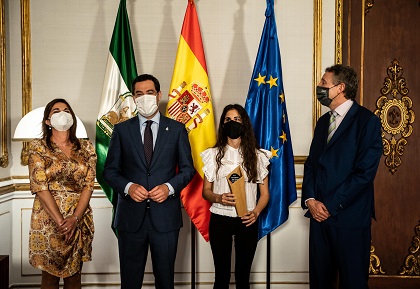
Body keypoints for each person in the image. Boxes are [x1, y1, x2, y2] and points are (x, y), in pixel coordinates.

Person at [103, 74, 195, 289]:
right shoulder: (122, 130)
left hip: (165, 218)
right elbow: (110, 171)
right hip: (130, 219)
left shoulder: (176, 129)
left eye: (150, 93)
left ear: (159, 95)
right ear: (133, 98)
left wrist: (169, 187)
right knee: (130, 281)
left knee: (165, 281)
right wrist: (128, 187)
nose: (145, 97)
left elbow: (187, 169)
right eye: (139, 94)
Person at [302, 64, 383, 289]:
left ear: (340, 88)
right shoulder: (322, 123)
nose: (318, 87)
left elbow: (364, 173)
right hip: (318, 217)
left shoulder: (367, 122)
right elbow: (311, 165)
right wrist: (310, 200)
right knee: (319, 282)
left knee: (353, 283)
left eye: (323, 83)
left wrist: (328, 204)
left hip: (350, 219)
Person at [28, 98, 96, 289]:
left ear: (72, 118)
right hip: (48, 220)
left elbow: (88, 186)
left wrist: (74, 218)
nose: (62, 114)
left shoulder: (86, 148)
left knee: (74, 277)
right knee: (50, 278)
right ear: (48, 121)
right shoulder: (38, 147)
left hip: (79, 216)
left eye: (66, 110)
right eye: (56, 111)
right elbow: (40, 186)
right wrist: (61, 222)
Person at [201, 104, 271, 289]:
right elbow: (205, 191)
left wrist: (255, 213)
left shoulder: (258, 156)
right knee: (221, 276)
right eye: (228, 120)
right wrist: (219, 198)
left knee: (243, 277)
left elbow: (264, 194)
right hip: (220, 219)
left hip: (247, 220)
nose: (232, 123)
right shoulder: (213, 155)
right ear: (222, 125)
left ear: (244, 124)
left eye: (237, 119)